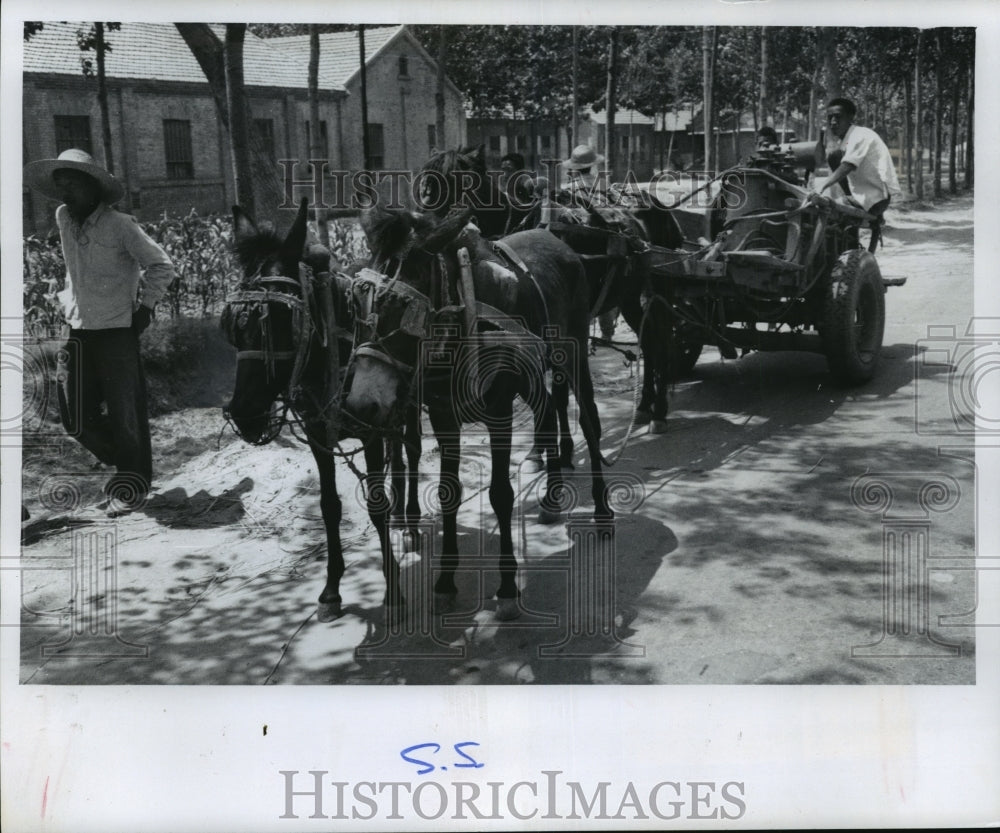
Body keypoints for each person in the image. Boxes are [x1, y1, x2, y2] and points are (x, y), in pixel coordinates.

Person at [24, 148, 175, 517]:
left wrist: (145, 307)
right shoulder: (64, 217)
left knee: (125, 412)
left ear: (92, 187)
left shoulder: (120, 225)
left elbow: (161, 265)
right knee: (74, 416)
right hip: (77, 327)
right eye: (60, 185)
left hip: (116, 330)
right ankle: (128, 463)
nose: (65, 193)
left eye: (72, 184)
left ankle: (131, 483)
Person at [818, 97, 901, 250]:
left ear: (850, 118)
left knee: (826, 211)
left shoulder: (859, 135)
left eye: (838, 117)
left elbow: (848, 166)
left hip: (876, 198)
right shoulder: (845, 141)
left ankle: (846, 254)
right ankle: (847, 250)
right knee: (834, 157)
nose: (833, 122)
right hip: (865, 194)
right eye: (830, 118)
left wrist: (822, 185)